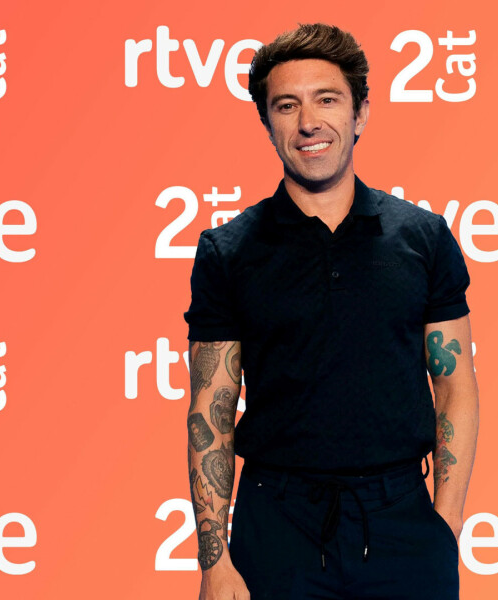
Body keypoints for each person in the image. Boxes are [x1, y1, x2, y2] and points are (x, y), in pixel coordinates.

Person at [184, 22, 479, 600]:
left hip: (403, 521)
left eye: (327, 99)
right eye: (286, 105)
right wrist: (214, 562)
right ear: (268, 123)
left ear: (360, 113)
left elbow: (455, 386)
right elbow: (211, 410)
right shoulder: (227, 251)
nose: (308, 122)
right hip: (276, 524)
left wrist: (443, 527)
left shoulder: (424, 238)